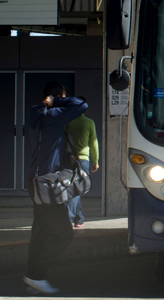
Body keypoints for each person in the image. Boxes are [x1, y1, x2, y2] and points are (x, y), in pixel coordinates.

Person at [23, 82, 87, 295]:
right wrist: (58, 101)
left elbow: (46, 145)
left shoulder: (35, 113)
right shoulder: (54, 114)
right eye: (61, 96)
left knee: (40, 232)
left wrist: (63, 155)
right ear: (56, 96)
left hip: (34, 181)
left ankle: (34, 278)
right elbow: (81, 104)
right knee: (63, 234)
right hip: (47, 185)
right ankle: (35, 274)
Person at [64, 96, 99, 229]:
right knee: (77, 190)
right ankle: (70, 218)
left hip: (69, 158)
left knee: (73, 188)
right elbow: (94, 143)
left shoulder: (68, 122)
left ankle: (79, 219)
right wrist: (95, 161)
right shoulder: (89, 122)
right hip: (83, 160)